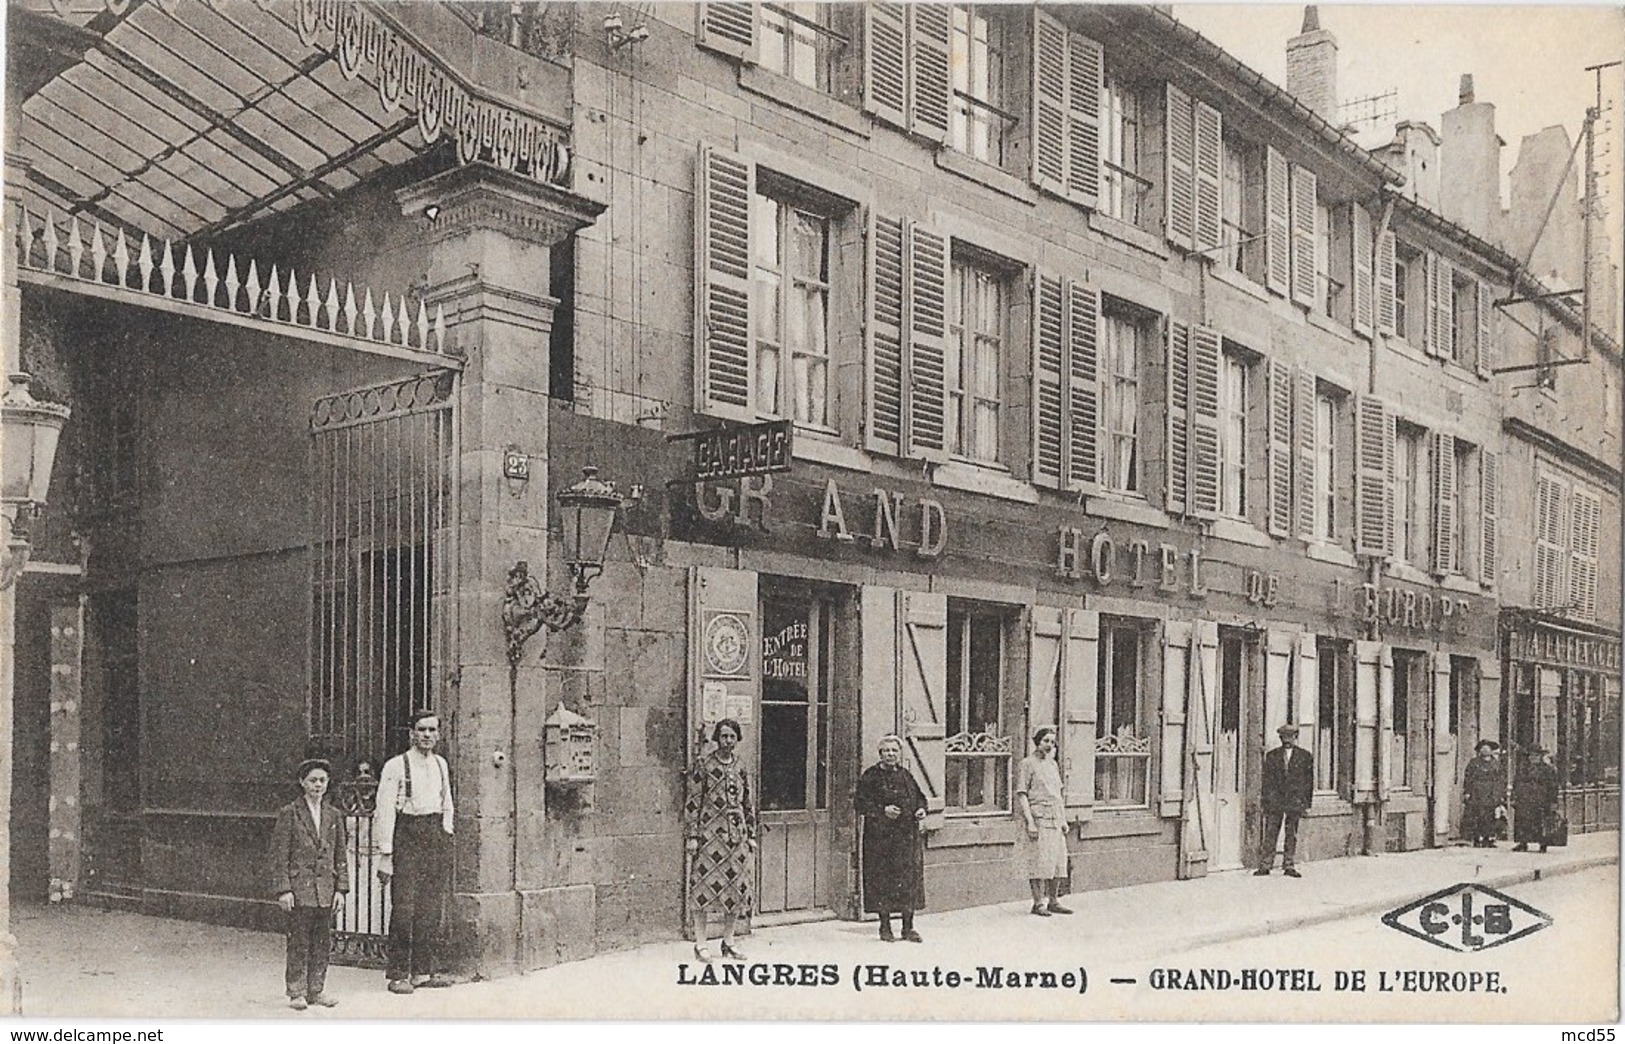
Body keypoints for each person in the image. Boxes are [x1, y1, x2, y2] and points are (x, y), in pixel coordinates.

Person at [375, 709, 456, 993]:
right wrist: (386, 853)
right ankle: (399, 973)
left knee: (430, 907)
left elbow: (447, 801)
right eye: (422, 730)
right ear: (411, 733)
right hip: (406, 835)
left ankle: (423, 971)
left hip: (433, 835)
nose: (427, 735)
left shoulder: (441, 764)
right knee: (405, 908)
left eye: (432, 730)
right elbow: (384, 809)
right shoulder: (396, 766)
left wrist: (446, 832)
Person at [271, 759, 348, 1010]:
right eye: (313, 780)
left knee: (322, 942)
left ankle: (317, 989)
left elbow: (340, 854)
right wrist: (284, 889)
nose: (318, 785)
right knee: (299, 940)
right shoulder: (290, 813)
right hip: (300, 889)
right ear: (302, 782)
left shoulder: (334, 814)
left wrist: (340, 889)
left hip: (325, 889)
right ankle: (297, 991)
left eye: (322, 780)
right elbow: (279, 854)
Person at [684, 719, 757, 962]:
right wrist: (693, 835)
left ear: (737, 740)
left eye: (732, 737)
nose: (728, 741)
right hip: (709, 836)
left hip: (736, 837)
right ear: (717, 738)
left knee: (735, 889)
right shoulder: (705, 765)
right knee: (702, 890)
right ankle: (701, 943)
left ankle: (729, 940)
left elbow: (747, 802)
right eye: (724, 736)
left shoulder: (740, 766)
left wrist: (752, 835)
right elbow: (693, 802)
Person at [855, 735, 928, 942]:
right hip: (880, 839)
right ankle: (885, 927)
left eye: (894, 751)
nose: (890, 754)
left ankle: (908, 928)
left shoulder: (906, 776)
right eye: (886, 751)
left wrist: (921, 809)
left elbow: (920, 797)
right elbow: (860, 803)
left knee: (908, 881)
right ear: (880, 754)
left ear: (899, 754)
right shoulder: (870, 776)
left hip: (906, 838)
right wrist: (882, 810)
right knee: (882, 881)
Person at [1016, 727, 1072, 917]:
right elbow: (1022, 794)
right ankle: (1038, 903)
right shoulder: (1027, 764)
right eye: (1046, 741)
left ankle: (1053, 901)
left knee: (1057, 860)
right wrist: (1030, 822)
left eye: (1052, 742)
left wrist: (1063, 819)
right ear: (1037, 741)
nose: (1049, 745)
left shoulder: (1053, 765)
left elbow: (1058, 795)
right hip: (1038, 818)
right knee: (1039, 861)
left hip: (1055, 818)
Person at [1255, 723, 1313, 878]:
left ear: (1296, 737)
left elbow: (1308, 782)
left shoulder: (1305, 756)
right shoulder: (1272, 756)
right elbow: (1266, 781)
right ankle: (1266, 864)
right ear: (1280, 738)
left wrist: (1306, 803)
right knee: (1271, 832)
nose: (1287, 740)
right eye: (1284, 737)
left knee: (1291, 833)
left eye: (1290, 737)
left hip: (1295, 801)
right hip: (1276, 801)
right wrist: (1266, 801)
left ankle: (1289, 864)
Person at [1512, 745, 1560, 853]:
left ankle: (1543, 844)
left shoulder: (1548, 769)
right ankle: (1522, 843)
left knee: (1541, 822)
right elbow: (1516, 783)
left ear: (1541, 756)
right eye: (1531, 755)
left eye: (1536, 755)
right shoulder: (1522, 768)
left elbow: (1553, 786)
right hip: (1524, 799)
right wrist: (1514, 796)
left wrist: (1553, 802)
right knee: (1523, 821)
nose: (1533, 758)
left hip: (1541, 800)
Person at [1461, 739, 1506, 848]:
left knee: (1490, 816)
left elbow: (1501, 780)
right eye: (1483, 748)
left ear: (1491, 750)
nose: (1485, 750)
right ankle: (1476, 838)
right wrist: (1467, 791)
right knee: (1476, 815)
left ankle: (1488, 838)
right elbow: (1468, 778)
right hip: (1477, 792)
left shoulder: (1496, 764)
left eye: (1487, 748)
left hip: (1491, 792)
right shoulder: (1474, 763)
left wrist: (1500, 794)